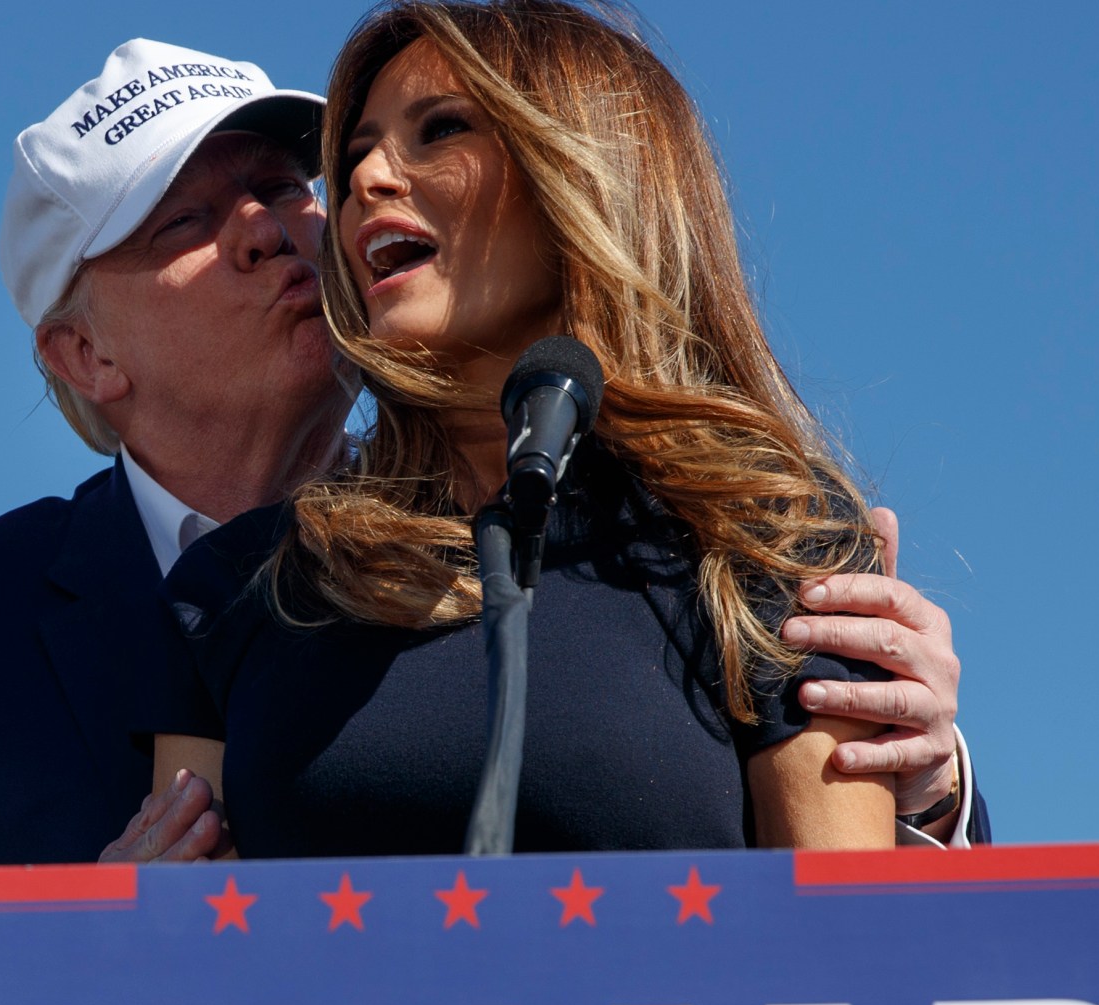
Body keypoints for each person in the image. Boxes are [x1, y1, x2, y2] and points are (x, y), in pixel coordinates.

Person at [0, 36, 982, 868]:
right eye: (186, 219)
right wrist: (86, 968)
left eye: (290, 181)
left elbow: (864, 964)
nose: (280, 229)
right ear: (84, 358)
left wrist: (926, 785)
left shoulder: (630, 521)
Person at [145, 0, 961, 856]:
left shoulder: (764, 532)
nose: (367, 181)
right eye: (356, 158)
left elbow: (845, 949)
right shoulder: (240, 581)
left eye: (440, 130)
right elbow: (181, 955)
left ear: (587, 172)